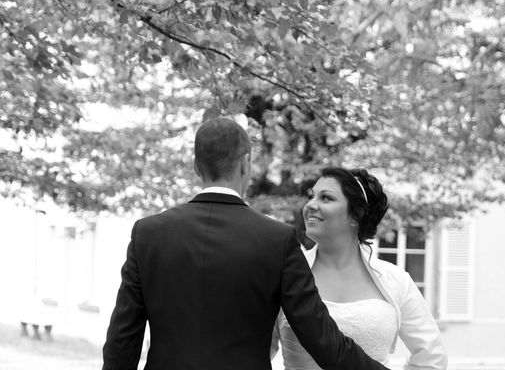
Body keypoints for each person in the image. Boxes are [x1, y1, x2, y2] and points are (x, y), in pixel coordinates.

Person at [102, 118, 391, 370]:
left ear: (195, 166)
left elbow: (122, 341)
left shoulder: (148, 233)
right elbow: (324, 342)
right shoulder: (277, 240)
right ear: (246, 163)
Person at [272, 167, 448, 370]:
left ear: (356, 215)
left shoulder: (396, 280)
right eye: (311, 196)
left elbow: (432, 356)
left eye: (326, 198)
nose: (311, 205)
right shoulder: (283, 275)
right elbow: (255, 350)